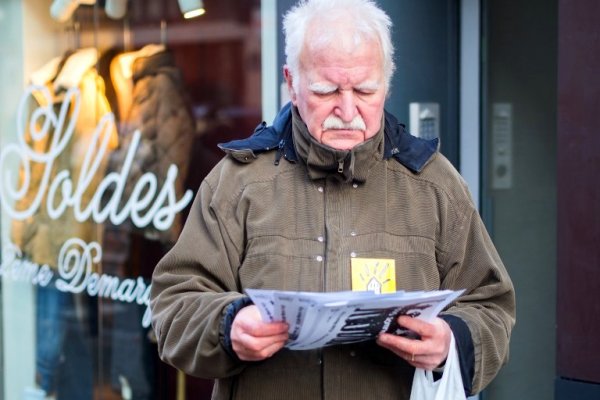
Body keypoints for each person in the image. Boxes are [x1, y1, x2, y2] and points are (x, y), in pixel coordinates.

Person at [149, 0, 516, 399]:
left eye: (364, 90)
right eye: (326, 90)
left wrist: (451, 340)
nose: (347, 109)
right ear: (291, 82)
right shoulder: (238, 183)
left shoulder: (434, 185)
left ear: (387, 83)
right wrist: (228, 327)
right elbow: (173, 306)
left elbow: (491, 307)